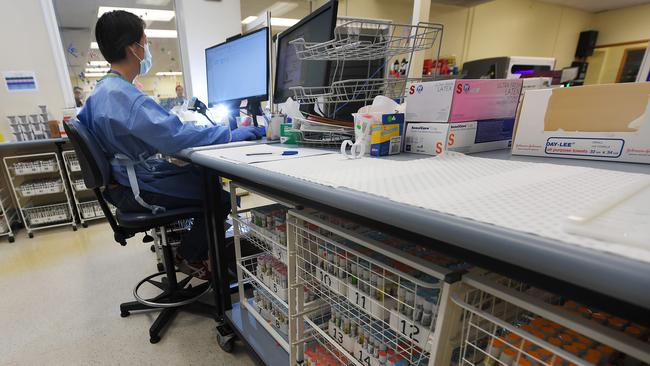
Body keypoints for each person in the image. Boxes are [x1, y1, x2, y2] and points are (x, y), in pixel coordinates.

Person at [77, 10, 262, 279]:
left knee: (199, 176)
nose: (147, 48)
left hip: (122, 183)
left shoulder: (103, 91)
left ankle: (197, 250)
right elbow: (175, 136)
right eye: (145, 42)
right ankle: (190, 255)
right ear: (134, 48)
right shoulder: (123, 96)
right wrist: (230, 135)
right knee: (219, 197)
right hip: (135, 188)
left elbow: (155, 133)